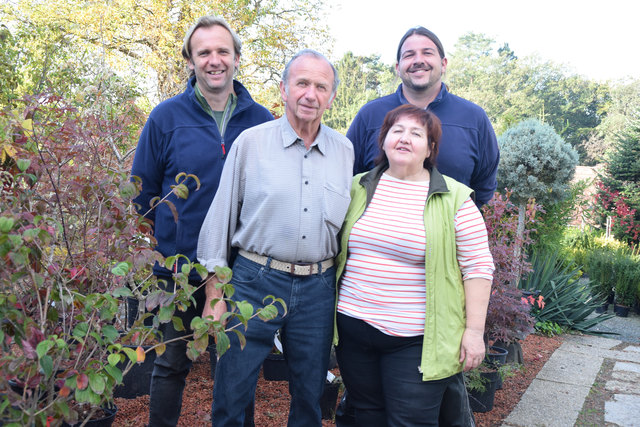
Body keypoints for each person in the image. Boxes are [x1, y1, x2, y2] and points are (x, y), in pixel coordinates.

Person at [197, 49, 354, 426]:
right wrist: (214, 297)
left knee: (310, 396)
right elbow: (219, 221)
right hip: (254, 280)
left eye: (321, 86)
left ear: (331, 97)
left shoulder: (344, 151)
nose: (310, 94)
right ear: (284, 89)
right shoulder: (252, 144)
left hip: (317, 289)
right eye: (302, 83)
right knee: (232, 391)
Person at [130, 15, 273, 427]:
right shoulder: (165, 118)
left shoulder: (261, 119)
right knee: (171, 364)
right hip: (178, 269)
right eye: (204, 52)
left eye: (222, 51)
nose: (214, 60)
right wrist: (170, 243)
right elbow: (143, 195)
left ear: (237, 58)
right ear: (190, 61)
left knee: (236, 370)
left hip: (241, 270)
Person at [334, 104, 495, 426]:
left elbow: (478, 267)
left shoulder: (454, 199)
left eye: (416, 133)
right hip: (353, 328)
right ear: (383, 141)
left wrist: (474, 333)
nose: (405, 138)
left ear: (431, 148)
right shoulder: (356, 187)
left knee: (411, 422)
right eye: (397, 130)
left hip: (416, 340)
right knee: (366, 415)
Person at [347, 26, 499, 207]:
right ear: (398, 67)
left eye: (427, 53)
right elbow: (348, 177)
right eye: (409, 55)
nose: (418, 60)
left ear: (443, 64)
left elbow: (484, 186)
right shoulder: (369, 115)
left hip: (449, 231)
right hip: (379, 232)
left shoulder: (474, 118)